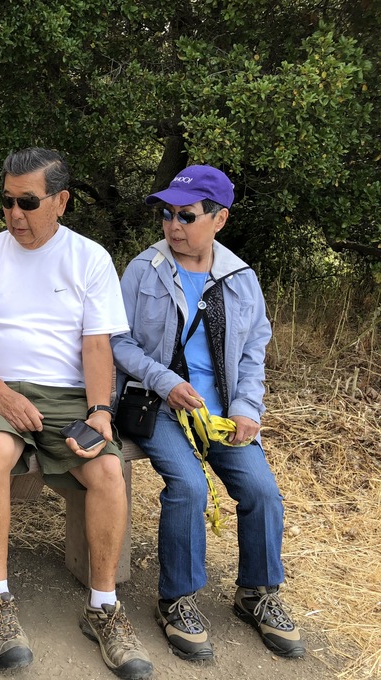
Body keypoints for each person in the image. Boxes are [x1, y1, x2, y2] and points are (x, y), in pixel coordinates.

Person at [0, 147, 154, 680]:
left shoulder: (89, 259)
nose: (15, 214)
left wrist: (100, 411)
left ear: (61, 201)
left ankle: (103, 607)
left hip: (68, 395)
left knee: (109, 470)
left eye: (28, 202)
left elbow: (95, 347)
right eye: (6, 202)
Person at [111, 165, 305, 661]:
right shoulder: (144, 270)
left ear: (219, 219)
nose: (173, 225)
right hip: (158, 409)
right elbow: (117, 342)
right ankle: (177, 599)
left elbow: (253, 350)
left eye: (187, 215)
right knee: (190, 487)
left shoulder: (240, 279)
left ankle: (257, 594)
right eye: (167, 214)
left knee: (262, 491)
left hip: (221, 414)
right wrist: (166, 380)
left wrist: (246, 408)